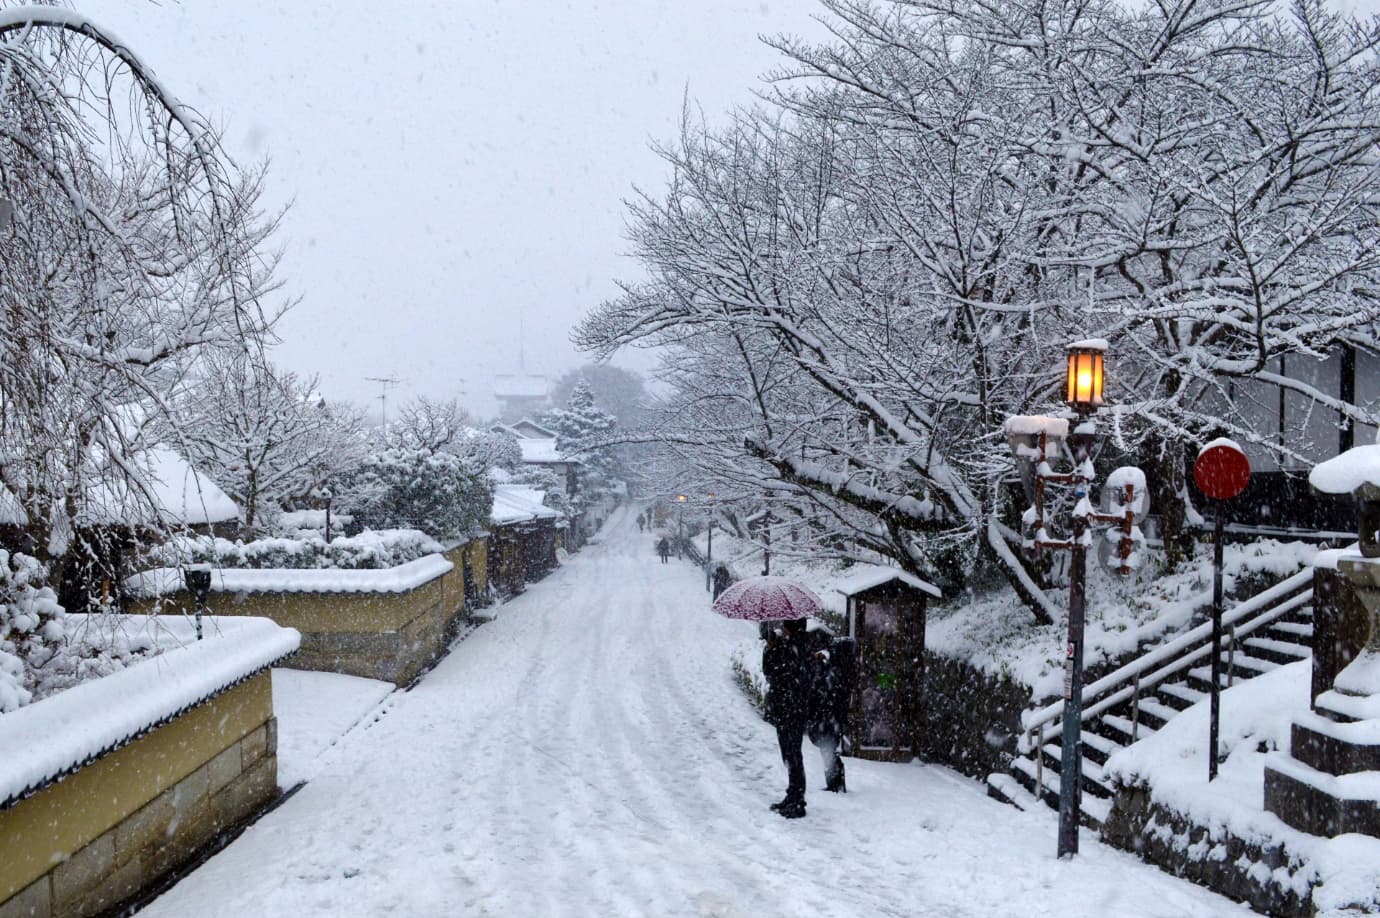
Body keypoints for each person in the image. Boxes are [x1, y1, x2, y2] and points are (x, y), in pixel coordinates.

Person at [762, 617, 812, 819]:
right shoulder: (795, 646)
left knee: (793, 754)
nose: (782, 628)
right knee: (790, 754)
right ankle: (793, 795)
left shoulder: (796, 648)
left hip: (791, 709)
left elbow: (774, 672)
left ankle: (797, 800)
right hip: (789, 709)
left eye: (785, 625)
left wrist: (772, 649)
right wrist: (772, 648)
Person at [806, 627, 855, 793]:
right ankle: (836, 782)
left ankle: (834, 783)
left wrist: (820, 666)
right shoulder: (844, 670)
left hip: (828, 715)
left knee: (828, 749)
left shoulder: (835, 672)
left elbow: (822, 687)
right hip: (834, 715)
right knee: (830, 748)